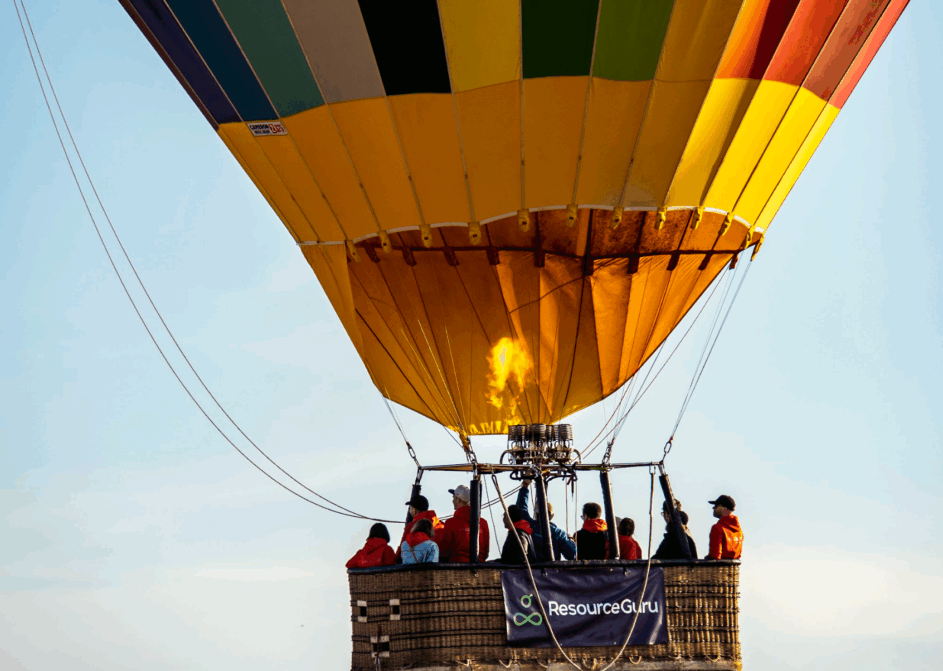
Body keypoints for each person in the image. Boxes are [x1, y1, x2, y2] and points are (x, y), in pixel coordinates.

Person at [516, 478, 577, 561]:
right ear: (552, 515)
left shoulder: (528, 526)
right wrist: (571, 540)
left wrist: (525, 486)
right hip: (552, 572)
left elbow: (521, 508)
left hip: (531, 570)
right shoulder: (558, 533)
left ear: (536, 513)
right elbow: (571, 554)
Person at [436, 485, 490, 563]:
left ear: (458, 500)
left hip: (456, 569)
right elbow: (485, 552)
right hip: (479, 569)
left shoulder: (451, 523)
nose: (452, 501)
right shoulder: (483, 523)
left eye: (453, 498)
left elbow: (444, 551)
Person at [396, 494, 444, 560]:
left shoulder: (411, 526)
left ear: (414, 510)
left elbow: (401, 551)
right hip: (441, 563)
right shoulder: (441, 524)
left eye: (410, 508)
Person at [706, 495, 743, 559]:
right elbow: (738, 556)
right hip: (732, 568)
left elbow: (715, 555)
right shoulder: (739, 532)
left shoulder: (717, 528)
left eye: (716, 505)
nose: (713, 508)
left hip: (719, 568)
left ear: (724, 508)